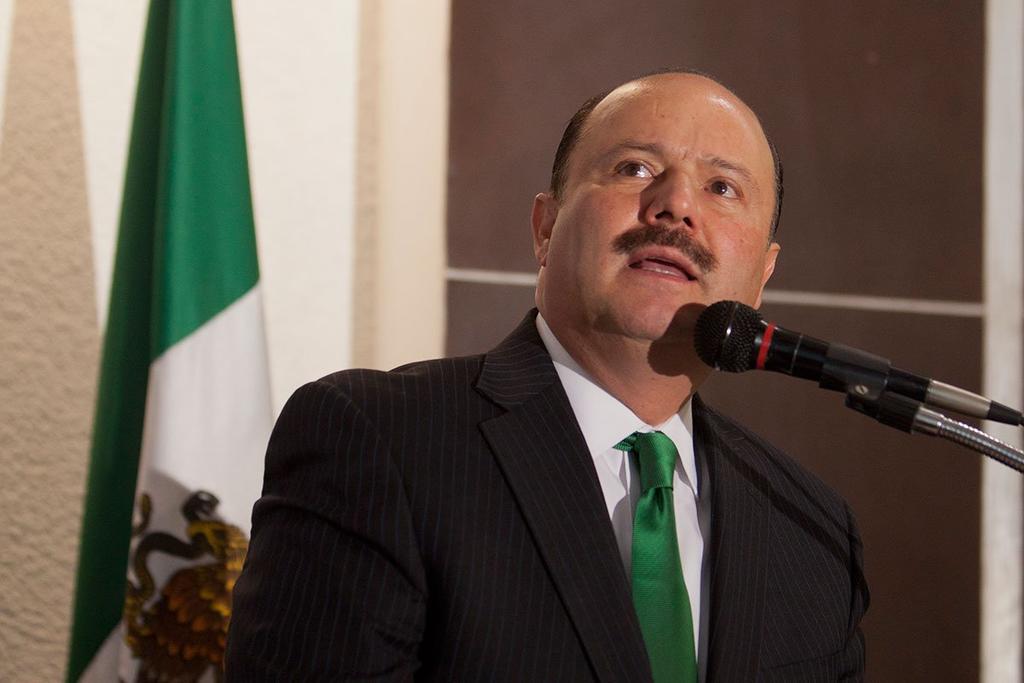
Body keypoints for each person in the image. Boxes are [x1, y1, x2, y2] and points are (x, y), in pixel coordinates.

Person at [226, 70, 868, 681]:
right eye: (635, 168)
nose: (675, 206)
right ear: (546, 227)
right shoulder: (381, 441)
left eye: (722, 188)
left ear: (761, 277)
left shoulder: (810, 528)